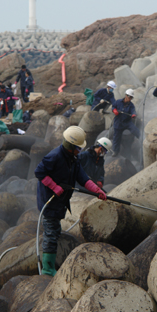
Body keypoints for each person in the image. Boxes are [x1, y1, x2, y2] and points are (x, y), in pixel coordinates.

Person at [34, 126, 107, 276]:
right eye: (78, 148)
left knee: (55, 230)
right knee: (51, 232)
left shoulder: (73, 159)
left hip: (60, 200)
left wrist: (97, 191)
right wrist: (54, 186)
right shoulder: (54, 156)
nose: (80, 151)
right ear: (70, 146)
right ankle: (47, 269)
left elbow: (83, 178)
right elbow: (39, 172)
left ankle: (53, 261)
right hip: (50, 200)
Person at [112, 89, 140, 157]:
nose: (130, 99)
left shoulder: (131, 105)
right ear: (125, 95)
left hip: (127, 122)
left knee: (135, 130)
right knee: (116, 137)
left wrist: (134, 114)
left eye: (131, 97)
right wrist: (114, 110)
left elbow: (133, 111)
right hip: (118, 122)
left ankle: (142, 140)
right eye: (129, 97)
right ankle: (115, 151)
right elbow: (113, 106)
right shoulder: (118, 102)